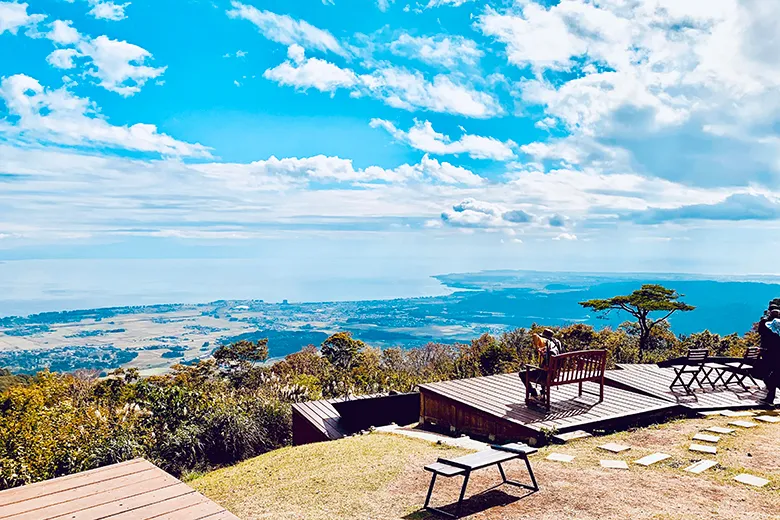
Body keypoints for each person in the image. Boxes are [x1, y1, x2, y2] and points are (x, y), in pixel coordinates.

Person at [525, 329, 564, 403]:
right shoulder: (557, 344)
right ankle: (543, 394)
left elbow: (534, 335)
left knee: (522, 374)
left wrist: (541, 352)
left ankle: (534, 394)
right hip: (555, 373)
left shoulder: (546, 345)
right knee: (543, 369)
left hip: (546, 374)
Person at [759, 304, 780, 406]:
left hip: (771, 358)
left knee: (769, 377)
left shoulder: (771, 338)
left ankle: (770, 398)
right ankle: (770, 398)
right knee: (775, 377)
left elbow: (761, 331)